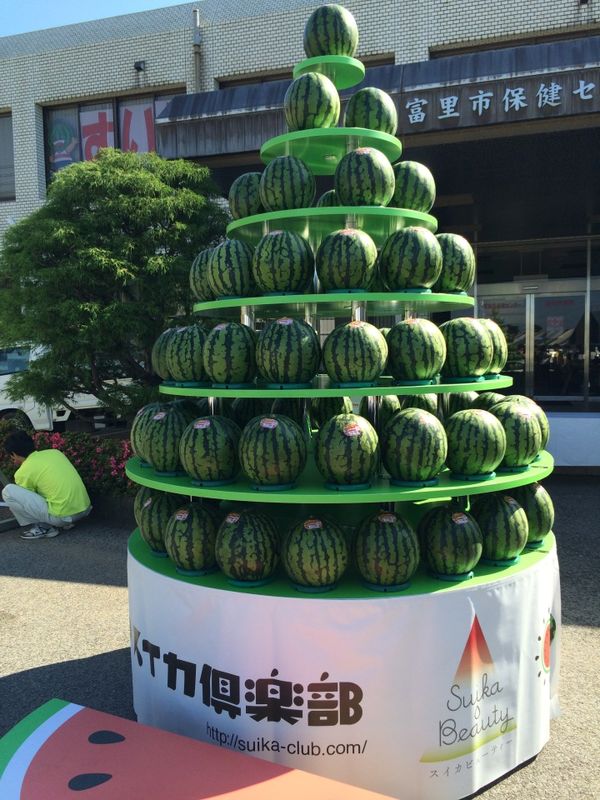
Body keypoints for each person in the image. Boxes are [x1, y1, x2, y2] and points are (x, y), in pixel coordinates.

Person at [2, 430, 92, 540]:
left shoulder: (23, 471)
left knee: (8, 491)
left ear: (14, 454)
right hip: (85, 509)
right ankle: (67, 522)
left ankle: (44, 528)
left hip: (63, 517)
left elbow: (30, 502)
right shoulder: (55, 452)